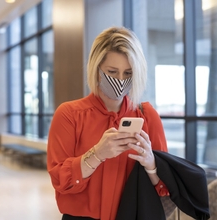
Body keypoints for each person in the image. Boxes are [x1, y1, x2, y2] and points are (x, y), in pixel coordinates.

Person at [47, 27, 169, 220]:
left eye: (128, 73)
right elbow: (60, 180)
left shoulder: (147, 116)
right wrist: (97, 154)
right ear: (96, 70)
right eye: (112, 71)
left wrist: (151, 164)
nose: (121, 80)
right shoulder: (69, 115)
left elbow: (164, 187)